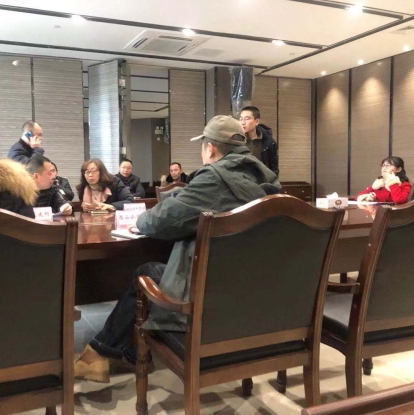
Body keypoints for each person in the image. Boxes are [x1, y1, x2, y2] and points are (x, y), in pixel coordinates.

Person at [74, 115, 280, 382]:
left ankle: (102, 355)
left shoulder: (214, 178)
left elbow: (161, 219)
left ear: (210, 148)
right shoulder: (268, 181)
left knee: (147, 271)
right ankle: (125, 350)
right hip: (248, 293)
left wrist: (139, 220)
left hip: (206, 292)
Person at [239, 106, 279, 176]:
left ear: (256, 121)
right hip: (242, 180)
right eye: (241, 119)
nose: (243, 122)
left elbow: (273, 167)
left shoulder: (269, 142)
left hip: (262, 180)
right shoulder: (236, 141)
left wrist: (270, 179)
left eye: (247, 119)